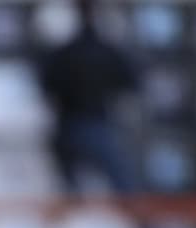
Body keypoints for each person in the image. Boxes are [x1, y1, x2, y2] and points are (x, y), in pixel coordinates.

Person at [37, 0, 140, 195]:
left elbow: (45, 87)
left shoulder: (61, 52)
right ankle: (143, 223)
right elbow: (131, 83)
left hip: (71, 127)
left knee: (71, 192)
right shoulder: (106, 50)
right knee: (126, 189)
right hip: (92, 125)